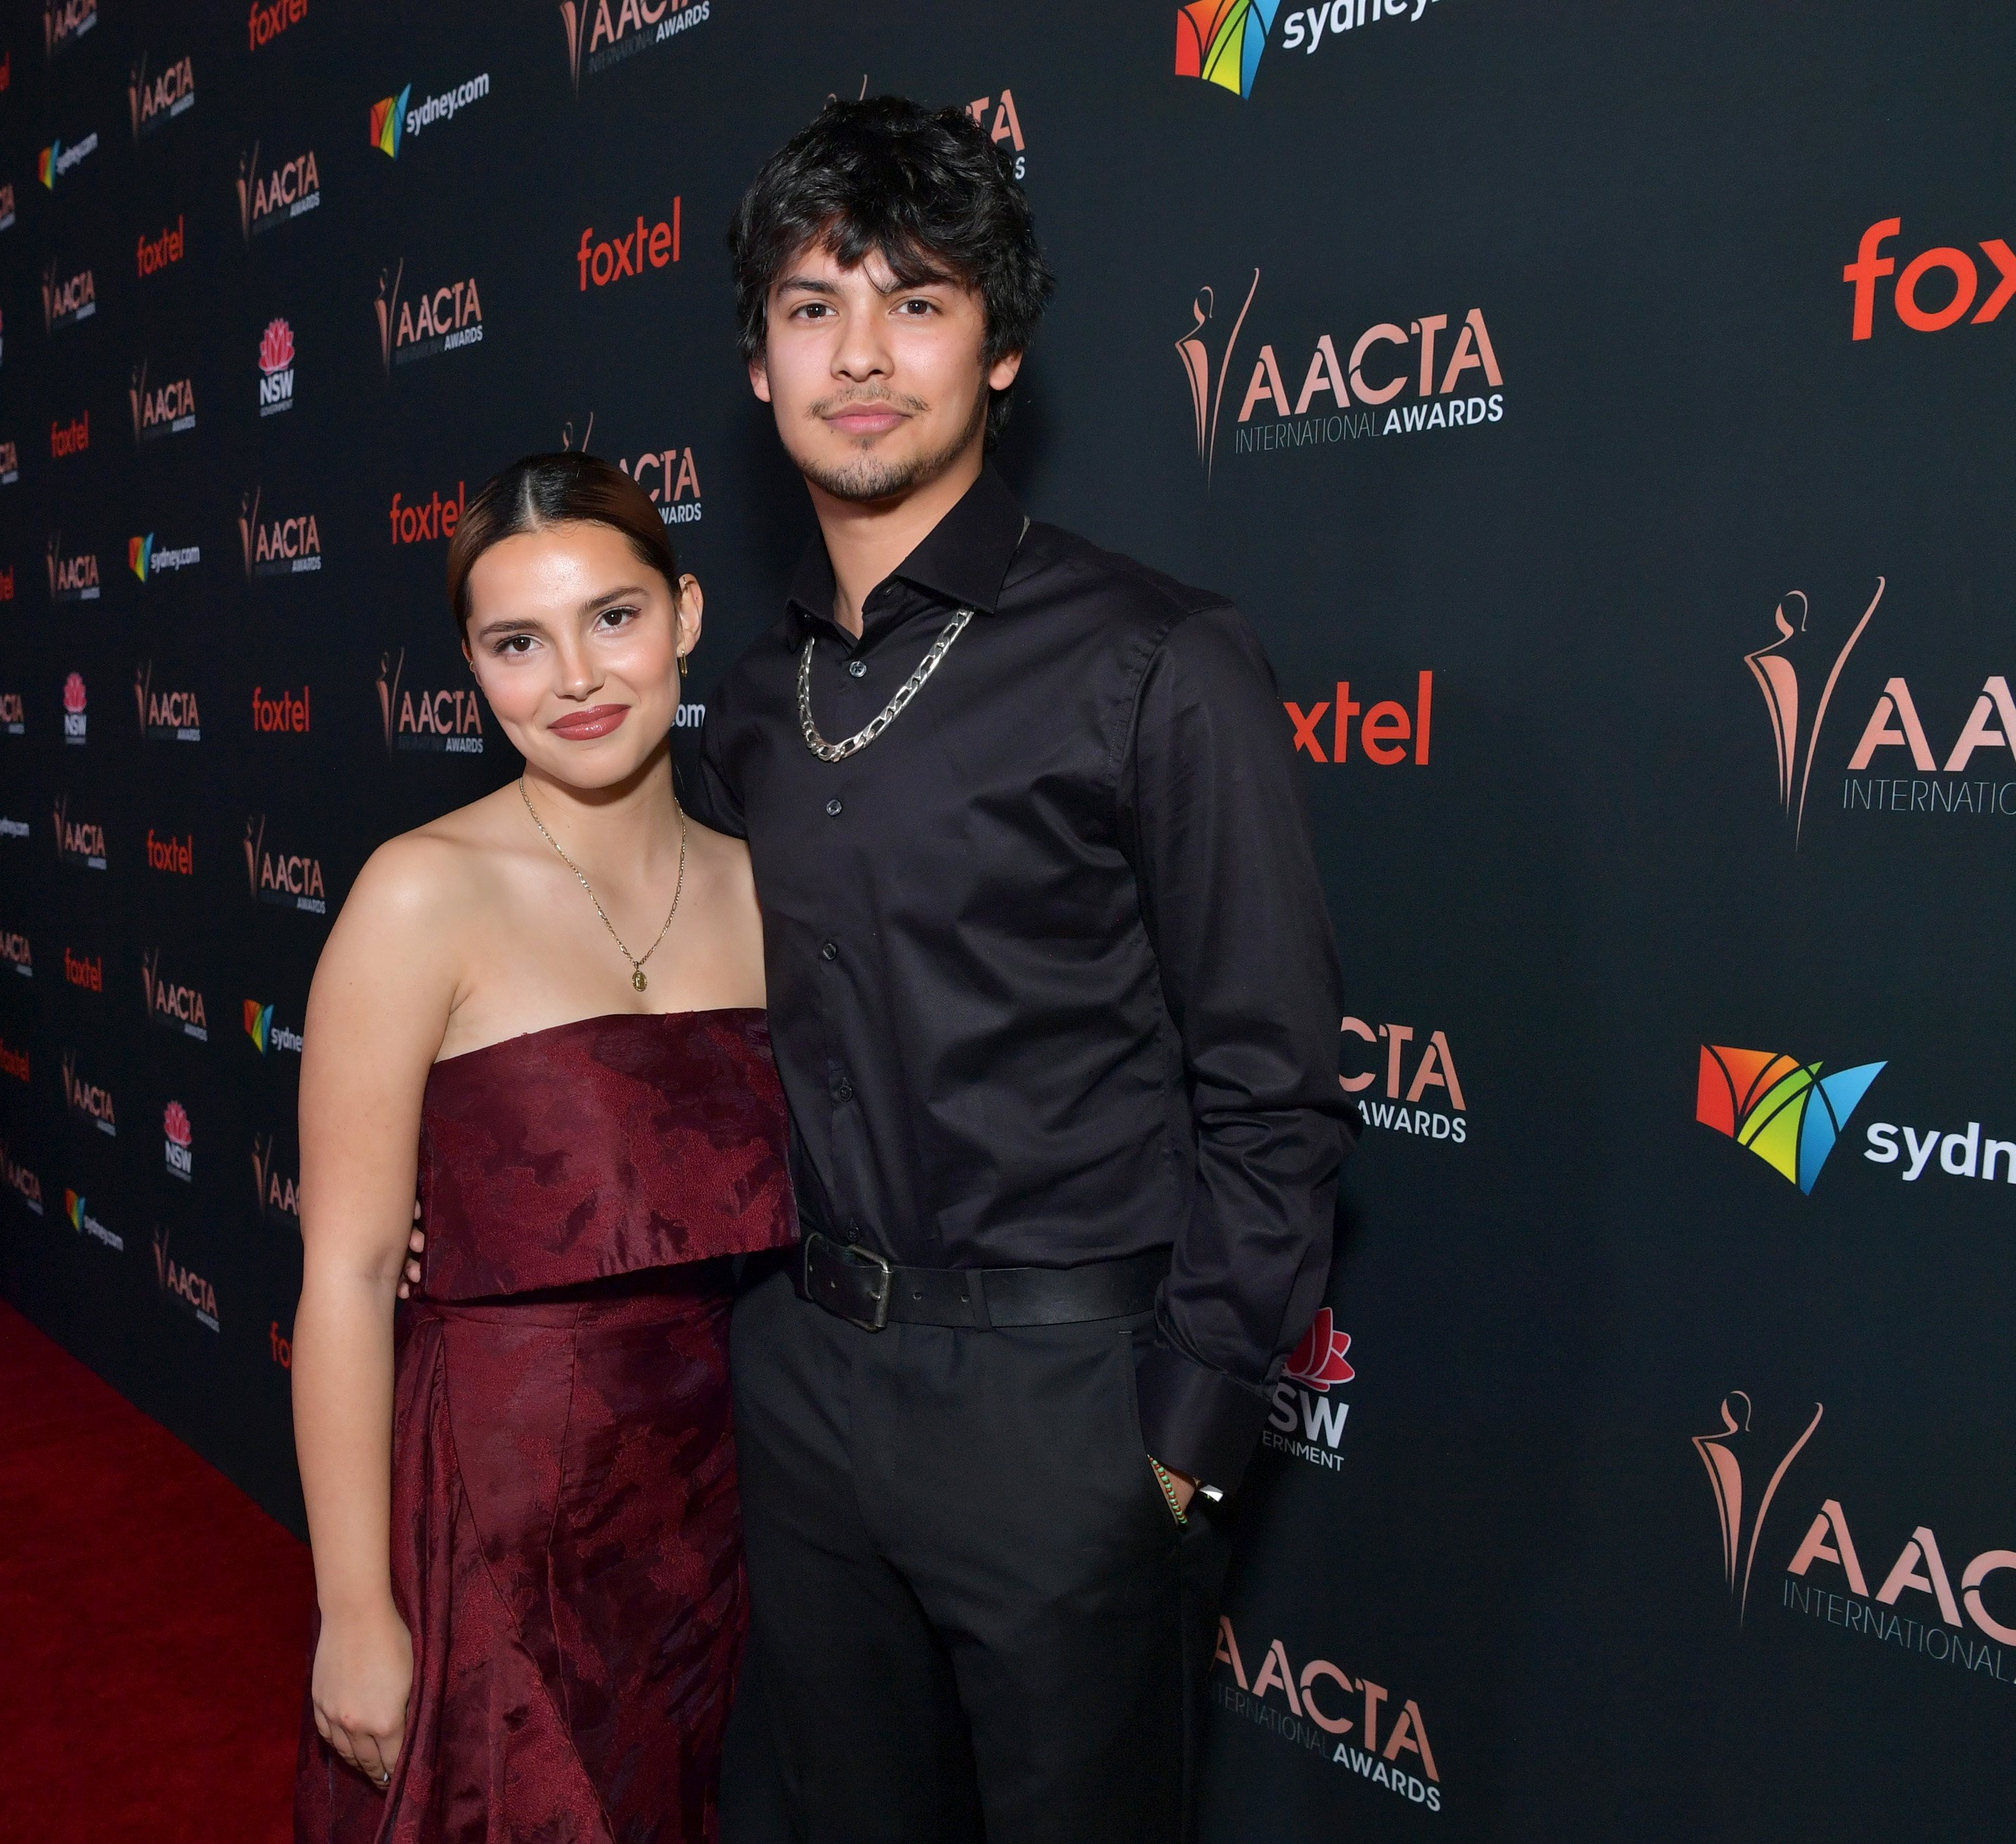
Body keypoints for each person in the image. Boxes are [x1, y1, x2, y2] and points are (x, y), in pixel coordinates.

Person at [696, 98, 1359, 1842]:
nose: (860, 352)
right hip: (803, 1378)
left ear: (998, 349)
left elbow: (1273, 1086)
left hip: (1063, 1412)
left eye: (917, 302)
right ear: (755, 362)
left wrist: (1173, 1441)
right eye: (812, 303)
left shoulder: (1152, 657)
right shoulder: (752, 704)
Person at [290, 452, 794, 1844]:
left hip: (724, 1523)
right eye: (518, 641)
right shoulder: (419, 894)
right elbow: (341, 1275)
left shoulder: (765, 890)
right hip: (495, 1524)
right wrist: (353, 1608)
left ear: (684, 613)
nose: (574, 675)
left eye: (612, 618)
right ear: (471, 667)